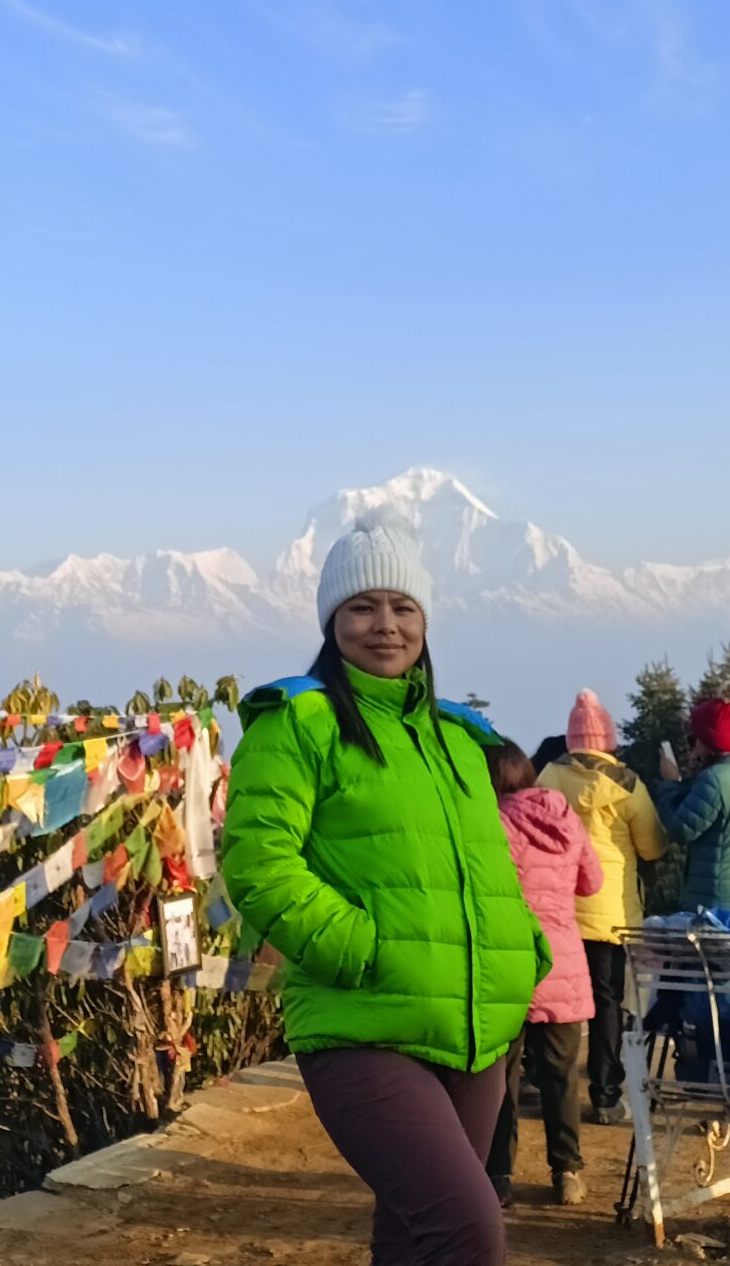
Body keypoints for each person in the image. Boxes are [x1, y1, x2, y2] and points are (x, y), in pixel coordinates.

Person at [222, 516, 545, 1266]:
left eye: (403, 607)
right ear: (332, 619)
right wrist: (359, 948)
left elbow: (489, 867)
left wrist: (523, 952)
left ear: (425, 619)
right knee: (469, 1231)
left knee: (414, 1236)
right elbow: (259, 864)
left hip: (476, 1026)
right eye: (361, 607)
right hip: (361, 1019)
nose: (385, 625)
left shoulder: (461, 738)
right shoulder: (298, 722)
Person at [540, 689, 668, 1123]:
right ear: (609, 741)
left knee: (554, 1003)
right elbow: (652, 847)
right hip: (612, 914)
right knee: (607, 1003)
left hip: (559, 911)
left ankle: (547, 1083)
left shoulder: (550, 778)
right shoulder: (630, 786)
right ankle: (606, 1095)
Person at [481, 737, 599, 1207]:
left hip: (510, 965)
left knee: (500, 1080)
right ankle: (567, 1172)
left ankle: (497, 1178)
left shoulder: (495, 822)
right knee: (562, 1078)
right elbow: (593, 882)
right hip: (564, 965)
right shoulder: (567, 818)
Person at [650, 681, 730, 917]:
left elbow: (679, 829)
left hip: (718, 908)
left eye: (694, 740)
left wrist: (670, 784)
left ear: (708, 742)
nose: (693, 747)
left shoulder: (714, 781)